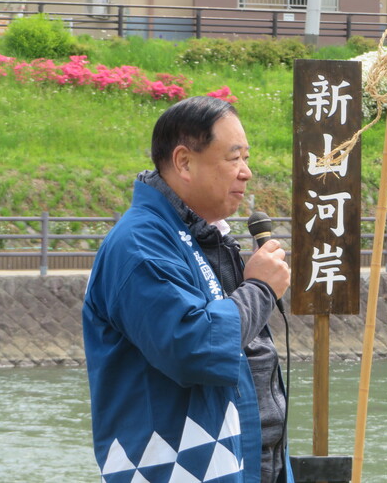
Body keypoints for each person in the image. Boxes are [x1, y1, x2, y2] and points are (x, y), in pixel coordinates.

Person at [82, 96, 294, 483]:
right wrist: (261, 288)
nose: (246, 172)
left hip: (245, 458)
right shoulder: (141, 244)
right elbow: (193, 347)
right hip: (180, 468)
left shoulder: (204, 236)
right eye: (234, 158)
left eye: (247, 158)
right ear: (184, 162)